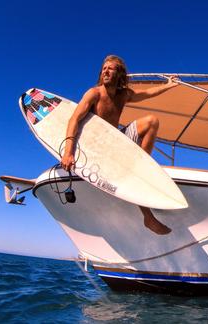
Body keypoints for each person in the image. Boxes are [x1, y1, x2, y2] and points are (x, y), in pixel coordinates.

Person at [61, 55, 179, 235]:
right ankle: (147, 215)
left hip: (117, 142)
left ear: (120, 74)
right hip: (97, 146)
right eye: (104, 68)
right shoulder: (94, 93)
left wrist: (169, 86)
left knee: (151, 121)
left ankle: (140, 166)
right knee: (149, 123)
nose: (105, 71)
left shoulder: (123, 95)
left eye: (111, 68)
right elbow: (74, 119)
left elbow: (147, 94)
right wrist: (68, 152)